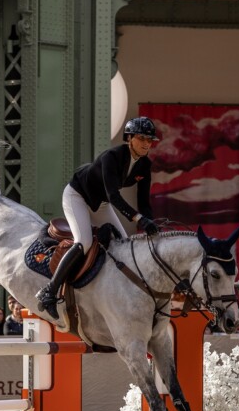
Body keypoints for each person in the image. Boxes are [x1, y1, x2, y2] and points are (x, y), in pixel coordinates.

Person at [36, 116, 160, 320]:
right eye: (142, 138)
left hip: (100, 204)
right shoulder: (112, 156)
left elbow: (143, 202)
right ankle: (49, 291)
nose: (147, 144)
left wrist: (151, 224)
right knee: (83, 242)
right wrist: (139, 219)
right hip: (77, 196)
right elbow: (114, 196)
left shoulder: (144, 165)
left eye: (150, 140)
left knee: (124, 245)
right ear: (129, 138)